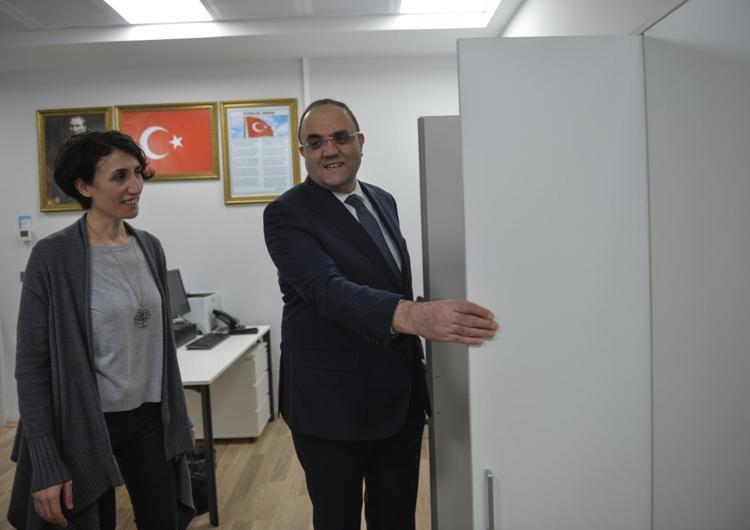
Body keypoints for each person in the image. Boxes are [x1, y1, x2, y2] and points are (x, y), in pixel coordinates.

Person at [263, 99, 499, 530]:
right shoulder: (286, 214)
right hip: (330, 407)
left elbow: (390, 282)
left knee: (396, 518)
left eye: (340, 137)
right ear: (302, 153)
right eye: (315, 142)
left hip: (397, 401)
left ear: (360, 141)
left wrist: (415, 354)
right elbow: (325, 289)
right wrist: (415, 317)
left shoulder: (382, 200)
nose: (329, 150)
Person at [9, 130, 194, 529]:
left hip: (149, 418)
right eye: (120, 176)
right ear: (84, 186)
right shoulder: (53, 257)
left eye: (138, 173)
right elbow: (32, 367)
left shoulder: (150, 247)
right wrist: (45, 461)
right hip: (85, 421)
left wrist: (179, 418)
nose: (135, 186)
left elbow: (160, 349)